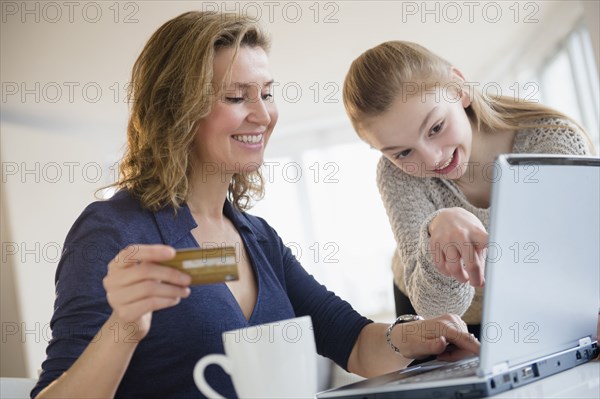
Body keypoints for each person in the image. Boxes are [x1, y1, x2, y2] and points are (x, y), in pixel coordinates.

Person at [31, 12, 479, 399]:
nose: (263, 115)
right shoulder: (113, 230)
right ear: (176, 110)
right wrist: (125, 326)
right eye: (235, 97)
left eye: (266, 93)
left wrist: (418, 337)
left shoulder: (258, 237)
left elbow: (355, 343)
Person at [342, 40, 595, 338]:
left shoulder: (553, 142)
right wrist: (437, 233)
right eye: (402, 153)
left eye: (435, 128)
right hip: (431, 303)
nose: (432, 158)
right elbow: (439, 309)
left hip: (533, 299)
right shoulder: (395, 175)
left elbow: (578, 254)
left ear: (458, 88)